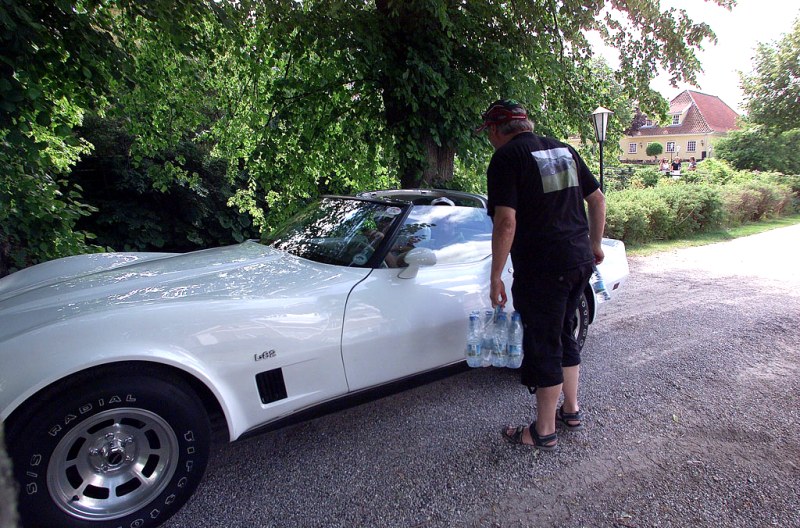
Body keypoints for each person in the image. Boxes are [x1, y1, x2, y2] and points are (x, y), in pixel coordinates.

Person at [477, 99, 606, 451]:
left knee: (544, 342)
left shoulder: (506, 158)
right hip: (578, 261)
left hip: (544, 269)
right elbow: (597, 200)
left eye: (488, 131)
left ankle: (543, 431)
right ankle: (571, 410)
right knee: (564, 333)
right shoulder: (563, 150)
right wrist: (594, 244)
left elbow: (506, 222)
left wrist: (496, 276)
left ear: (495, 129)